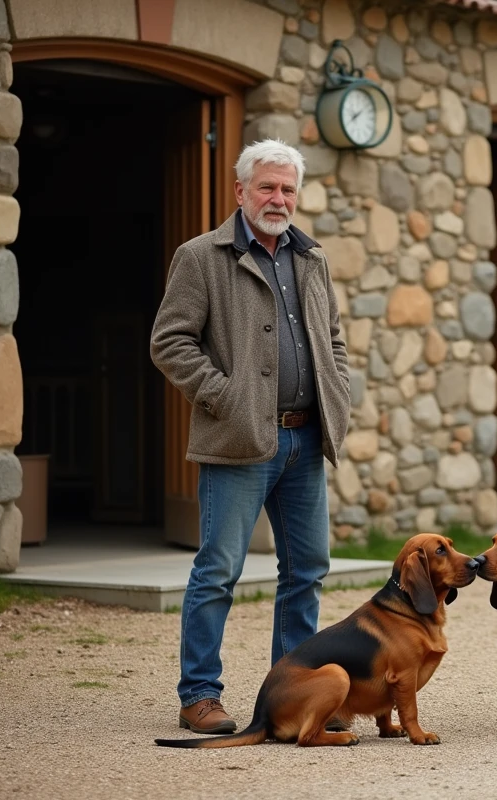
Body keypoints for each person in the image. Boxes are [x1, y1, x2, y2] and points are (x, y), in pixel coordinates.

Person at [150, 138, 351, 734]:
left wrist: (336, 389)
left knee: (307, 571)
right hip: (237, 441)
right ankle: (199, 696)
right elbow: (170, 342)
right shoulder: (200, 256)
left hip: (304, 440)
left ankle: (294, 694)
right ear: (240, 191)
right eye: (267, 186)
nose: (278, 198)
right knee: (218, 569)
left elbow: (332, 339)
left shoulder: (312, 259)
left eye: (288, 188)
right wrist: (225, 396)